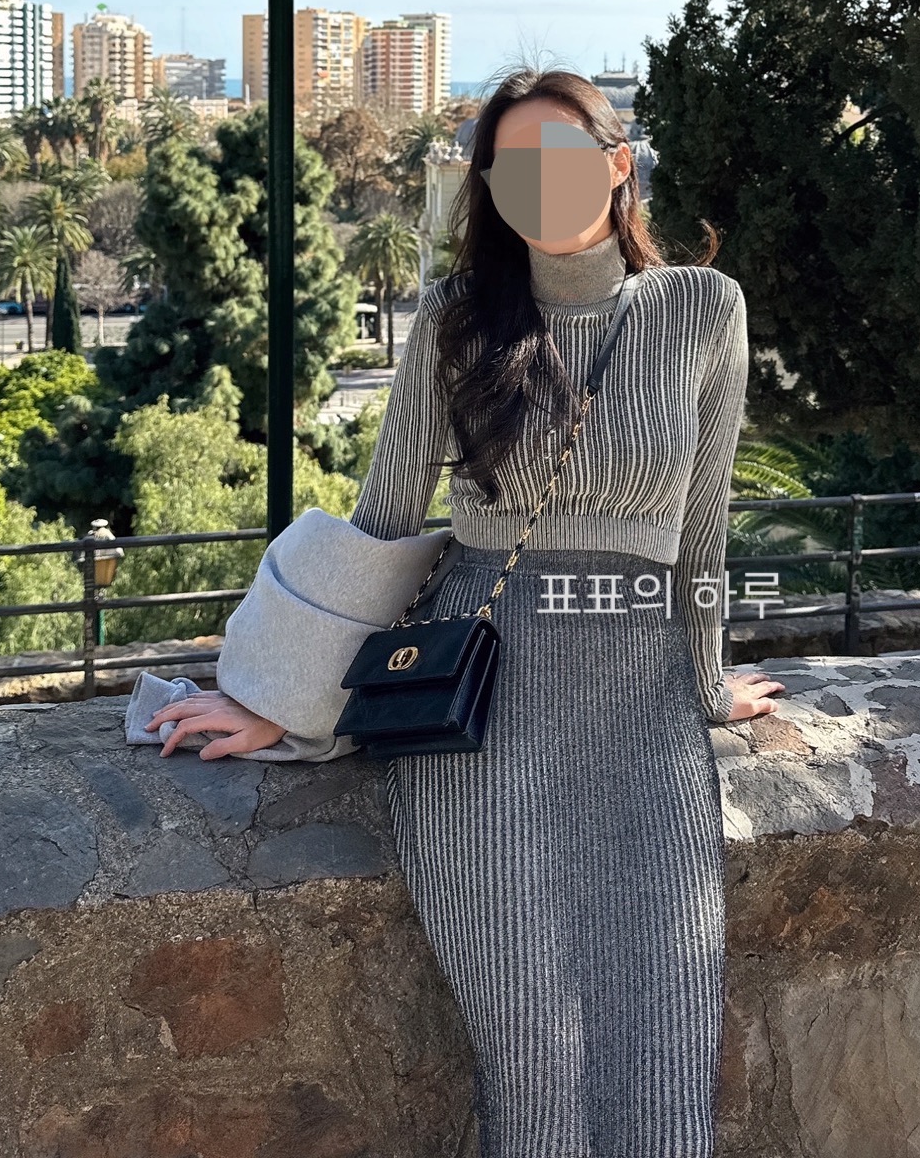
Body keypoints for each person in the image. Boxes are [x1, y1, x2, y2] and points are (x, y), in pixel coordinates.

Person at [149, 67, 782, 1157]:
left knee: (665, 1030)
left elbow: (704, 531)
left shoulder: (701, 309)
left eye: (562, 155)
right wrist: (277, 696)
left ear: (618, 164)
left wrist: (708, 680)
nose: (539, 181)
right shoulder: (457, 319)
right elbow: (386, 516)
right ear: (487, 188)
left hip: (643, 721)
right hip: (485, 716)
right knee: (532, 1045)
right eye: (510, 166)